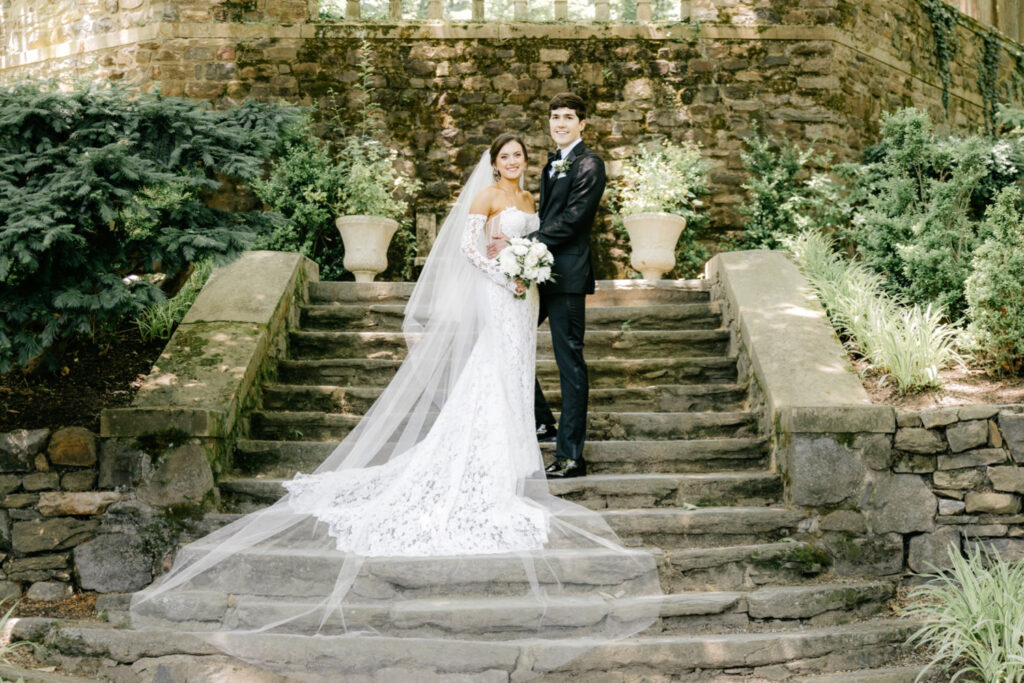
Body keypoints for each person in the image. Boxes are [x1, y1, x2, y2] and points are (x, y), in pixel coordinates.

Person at [128, 133, 660, 680]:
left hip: (525, 299)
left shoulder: (530, 201)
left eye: (518, 156)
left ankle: (513, 448)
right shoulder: (485, 198)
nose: (513, 162)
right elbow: (470, 249)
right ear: (493, 162)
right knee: (492, 370)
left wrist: (529, 271)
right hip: (499, 291)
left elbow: (542, 241)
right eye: (505, 156)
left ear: (526, 163)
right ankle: (482, 451)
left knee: (518, 371)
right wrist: (508, 272)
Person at [489, 92, 602, 479]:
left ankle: (571, 456)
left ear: (582, 123)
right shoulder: (552, 163)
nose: (561, 123)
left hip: (567, 277)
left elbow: (573, 220)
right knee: (506, 337)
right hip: (538, 273)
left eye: (569, 116)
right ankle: (542, 419)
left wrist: (526, 246)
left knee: (569, 361)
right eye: (555, 116)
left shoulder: (590, 164)